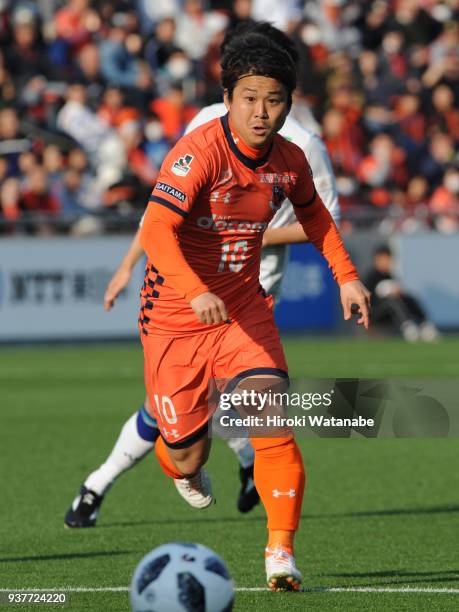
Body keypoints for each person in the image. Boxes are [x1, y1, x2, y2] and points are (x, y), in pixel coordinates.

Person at [71, 22, 371, 591]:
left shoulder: (290, 157)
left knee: (270, 416)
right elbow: (158, 229)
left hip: (241, 305)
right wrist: (193, 289)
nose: (261, 112)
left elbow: (316, 216)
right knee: (184, 455)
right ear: (227, 98)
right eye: (250, 98)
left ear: (287, 105)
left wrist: (348, 278)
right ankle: (184, 458)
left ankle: (280, 554)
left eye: (274, 100)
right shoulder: (199, 151)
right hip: (173, 316)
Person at [365, 245, 439, 342]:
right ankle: (408, 328)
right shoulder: (371, 277)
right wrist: (387, 294)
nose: (388, 262)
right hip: (375, 313)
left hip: (390, 311)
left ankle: (424, 325)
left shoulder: (389, 275)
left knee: (409, 298)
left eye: (389, 259)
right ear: (377, 259)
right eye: (385, 259)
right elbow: (370, 300)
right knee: (393, 301)